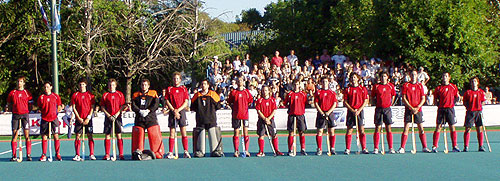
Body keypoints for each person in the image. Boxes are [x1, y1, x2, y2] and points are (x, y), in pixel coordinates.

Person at [131, 79, 164, 159]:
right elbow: (133, 105)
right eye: (142, 85)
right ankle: (138, 152)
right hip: (139, 118)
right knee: (139, 134)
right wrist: (139, 111)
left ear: (148, 86)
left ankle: (157, 152)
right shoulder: (136, 94)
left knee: (153, 134)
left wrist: (149, 110)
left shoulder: (153, 93)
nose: (144, 86)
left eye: (145, 85)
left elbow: (156, 104)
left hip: (150, 118)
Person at [399, 70, 431, 153]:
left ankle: (425, 147)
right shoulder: (406, 85)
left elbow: (423, 98)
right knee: (406, 128)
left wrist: (417, 107)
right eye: (412, 74)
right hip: (409, 109)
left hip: (418, 110)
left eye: (415, 74)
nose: (413, 76)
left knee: (421, 128)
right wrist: (411, 107)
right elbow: (404, 98)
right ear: (410, 75)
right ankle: (402, 147)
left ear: (417, 76)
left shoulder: (420, 86)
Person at [190, 80, 224, 157]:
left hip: (211, 118)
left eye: (205, 84)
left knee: (213, 133)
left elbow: (218, 105)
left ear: (208, 85)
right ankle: (200, 151)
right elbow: (192, 107)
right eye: (202, 84)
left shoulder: (213, 94)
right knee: (200, 134)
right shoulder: (197, 95)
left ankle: (216, 150)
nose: (203, 86)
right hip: (200, 119)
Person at [432, 72, 461, 153]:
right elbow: (435, 99)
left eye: (446, 76)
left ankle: (454, 146)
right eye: (443, 76)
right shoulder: (438, 88)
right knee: (438, 127)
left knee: (452, 127)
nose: (444, 77)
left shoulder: (453, 87)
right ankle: (434, 146)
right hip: (441, 109)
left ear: (449, 77)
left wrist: (452, 104)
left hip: (450, 109)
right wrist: (438, 105)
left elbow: (456, 97)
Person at [165, 72, 191, 159]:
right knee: (172, 132)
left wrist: (178, 110)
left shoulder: (183, 89)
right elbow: (167, 101)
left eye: (177, 78)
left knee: (183, 131)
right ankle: (170, 152)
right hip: (173, 112)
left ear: (180, 80)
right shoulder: (169, 89)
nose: (176, 80)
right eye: (174, 78)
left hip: (181, 111)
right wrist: (174, 110)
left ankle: (186, 151)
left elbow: (186, 102)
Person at [7, 76, 33, 161]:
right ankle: (14, 155)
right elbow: (9, 103)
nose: (19, 83)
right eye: (18, 81)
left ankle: (28, 154)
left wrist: (28, 110)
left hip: (25, 115)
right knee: (14, 135)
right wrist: (12, 110)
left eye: (21, 81)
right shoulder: (12, 93)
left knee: (27, 135)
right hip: (16, 115)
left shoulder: (27, 93)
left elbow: (30, 104)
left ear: (23, 83)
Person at [100, 78, 127, 160]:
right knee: (107, 134)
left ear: (115, 86)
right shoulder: (105, 95)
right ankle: (107, 154)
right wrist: (108, 115)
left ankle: (121, 154)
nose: (111, 87)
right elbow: (102, 106)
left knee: (118, 134)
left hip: (117, 117)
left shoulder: (120, 94)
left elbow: (122, 105)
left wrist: (117, 114)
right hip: (108, 117)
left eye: (113, 85)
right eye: (110, 85)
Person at [343, 73, 369, 154]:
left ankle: (364, 148)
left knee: (361, 130)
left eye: (355, 77)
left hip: (360, 112)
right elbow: (345, 102)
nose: (353, 79)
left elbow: (366, 101)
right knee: (349, 130)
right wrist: (352, 110)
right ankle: (347, 149)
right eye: (352, 77)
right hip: (351, 112)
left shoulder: (362, 88)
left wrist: (359, 110)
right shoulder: (348, 89)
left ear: (358, 78)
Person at [71, 78, 96, 161]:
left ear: (85, 85)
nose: (81, 86)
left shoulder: (90, 95)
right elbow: (74, 108)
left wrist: (88, 118)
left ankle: (91, 154)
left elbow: (92, 107)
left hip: (88, 119)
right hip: (79, 119)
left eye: (83, 84)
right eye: (80, 84)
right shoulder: (75, 95)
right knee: (77, 136)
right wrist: (78, 118)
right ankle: (77, 154)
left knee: (90, 136)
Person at [227, 75, 253, 157]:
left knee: (246, 132)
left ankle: (246, 150)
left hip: (245, 115)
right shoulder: (233, 92)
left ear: (243, 82)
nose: (239, 82)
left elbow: (250, 101)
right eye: (238, 81)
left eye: (241, 81)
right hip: (236, 115)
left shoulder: (246, 92)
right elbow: (229, 102)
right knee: (236, 133)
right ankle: (236, 150)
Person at [255, 85, 284, 157]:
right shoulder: (259, 100)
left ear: (269, 91)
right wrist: (264, 118)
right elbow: (258, 111)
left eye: (266, 90)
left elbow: (274, 110)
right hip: (262, 120)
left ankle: (276, 150)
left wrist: (268, 118)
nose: (264, 92)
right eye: (263, 90)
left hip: (270, 120)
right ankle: (261, 151)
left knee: (274, 135)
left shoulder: (272, 100)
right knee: (261, 135)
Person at [37, 82, 63, 161]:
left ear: (51, 87)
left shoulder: (55, 96)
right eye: (45, 87)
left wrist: (55, 113)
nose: (46, 88)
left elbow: (59, 106)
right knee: (44, 136)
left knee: (56, 136)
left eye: (47, 87)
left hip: (54, 119)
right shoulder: (41, 97)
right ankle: (44, 154)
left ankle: (57, 154)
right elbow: (40, 108)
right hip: (45, 119)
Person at [371, 72, 396, 154]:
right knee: (377, 128)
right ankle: (376, 148)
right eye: (381, 76)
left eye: (385, 76)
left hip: (387, 109)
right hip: (378, 109)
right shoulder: (376, 86)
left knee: (388, 128)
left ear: (387, 77)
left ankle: (391, 147)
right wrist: (376, 103)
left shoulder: (390, 86)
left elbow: (393, 95)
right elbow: (372, 97)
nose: (383, 78)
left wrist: (390, 103)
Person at [313, 77, 338, 155]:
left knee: (331, 131)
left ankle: (332, 148)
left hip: (330, 113)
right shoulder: (318, 92)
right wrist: (321, 112)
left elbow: (334, 103)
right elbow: (316, 103)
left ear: (328, 83)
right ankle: (319, 148)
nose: (325, 83)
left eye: (326, 81)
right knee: (320, 131)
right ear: (321, 83)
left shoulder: (332, 92)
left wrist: (328, 112)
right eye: (323, 82)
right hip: (321, 113)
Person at [284, 80, 308, 156]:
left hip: (300, 115)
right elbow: (286, 103)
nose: (296, 86)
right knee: (291, 132)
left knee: (301, 132)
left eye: (297, 84)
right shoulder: (290, 94)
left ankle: (303, 149)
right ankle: (290, 149)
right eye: (295, 84)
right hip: (292, 115)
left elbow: (305, 103)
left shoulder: (303, 94)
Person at [462, 77, 486, 152]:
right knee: (468, 129)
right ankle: (466, 146)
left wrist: (480, 106)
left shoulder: (481, 92)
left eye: (475, 81)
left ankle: (481, 146)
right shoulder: (468, 92)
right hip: (470, 112)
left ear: (477, 83)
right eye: (472, 81)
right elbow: (465, 102)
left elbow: (483, 101)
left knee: (479, 128)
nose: (473, 83)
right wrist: (468, 107)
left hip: (478, 112)